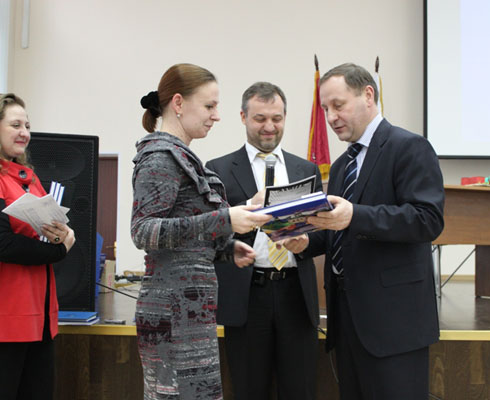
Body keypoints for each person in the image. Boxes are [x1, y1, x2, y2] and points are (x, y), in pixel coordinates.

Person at [286, 63, 445, 399]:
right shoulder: (342, 165)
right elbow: (338, 231)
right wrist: (305, 242)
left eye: (338, 105)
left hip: (394, 325)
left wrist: (355, 215)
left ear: (368, 95)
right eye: (325, 108)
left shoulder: (409, 147)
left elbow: (427, 219)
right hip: (347, 321)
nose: (331, 117)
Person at [131, 64, 271, 399]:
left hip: (190, 313)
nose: (216, 116)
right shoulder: (160, 158)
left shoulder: (181, 156)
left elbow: (185, 238)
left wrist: (226, 247)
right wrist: (224, 220)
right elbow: (144, 231)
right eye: (209, 106)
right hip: (171, 315)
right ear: (178, 103)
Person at [206, 82, 321, 400]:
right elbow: (210, 234)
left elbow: (324, 232)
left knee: (300, 390)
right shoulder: (217, 170)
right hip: (247, 296)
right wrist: (248, 211)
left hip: (296, 295)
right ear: (243, 117)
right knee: (249, 389)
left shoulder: (306, 169)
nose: (269, 126)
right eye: (260, 118)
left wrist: (306, 243)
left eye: (277, 118)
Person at [0, 93, 76, 400]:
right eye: (15, 125)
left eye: (27, 126)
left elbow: (42, 233)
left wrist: (60, 234)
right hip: (7, 320)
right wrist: (59, 250)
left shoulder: (30, 179)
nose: (24, 133)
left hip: (40, 317)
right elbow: (4, 244)